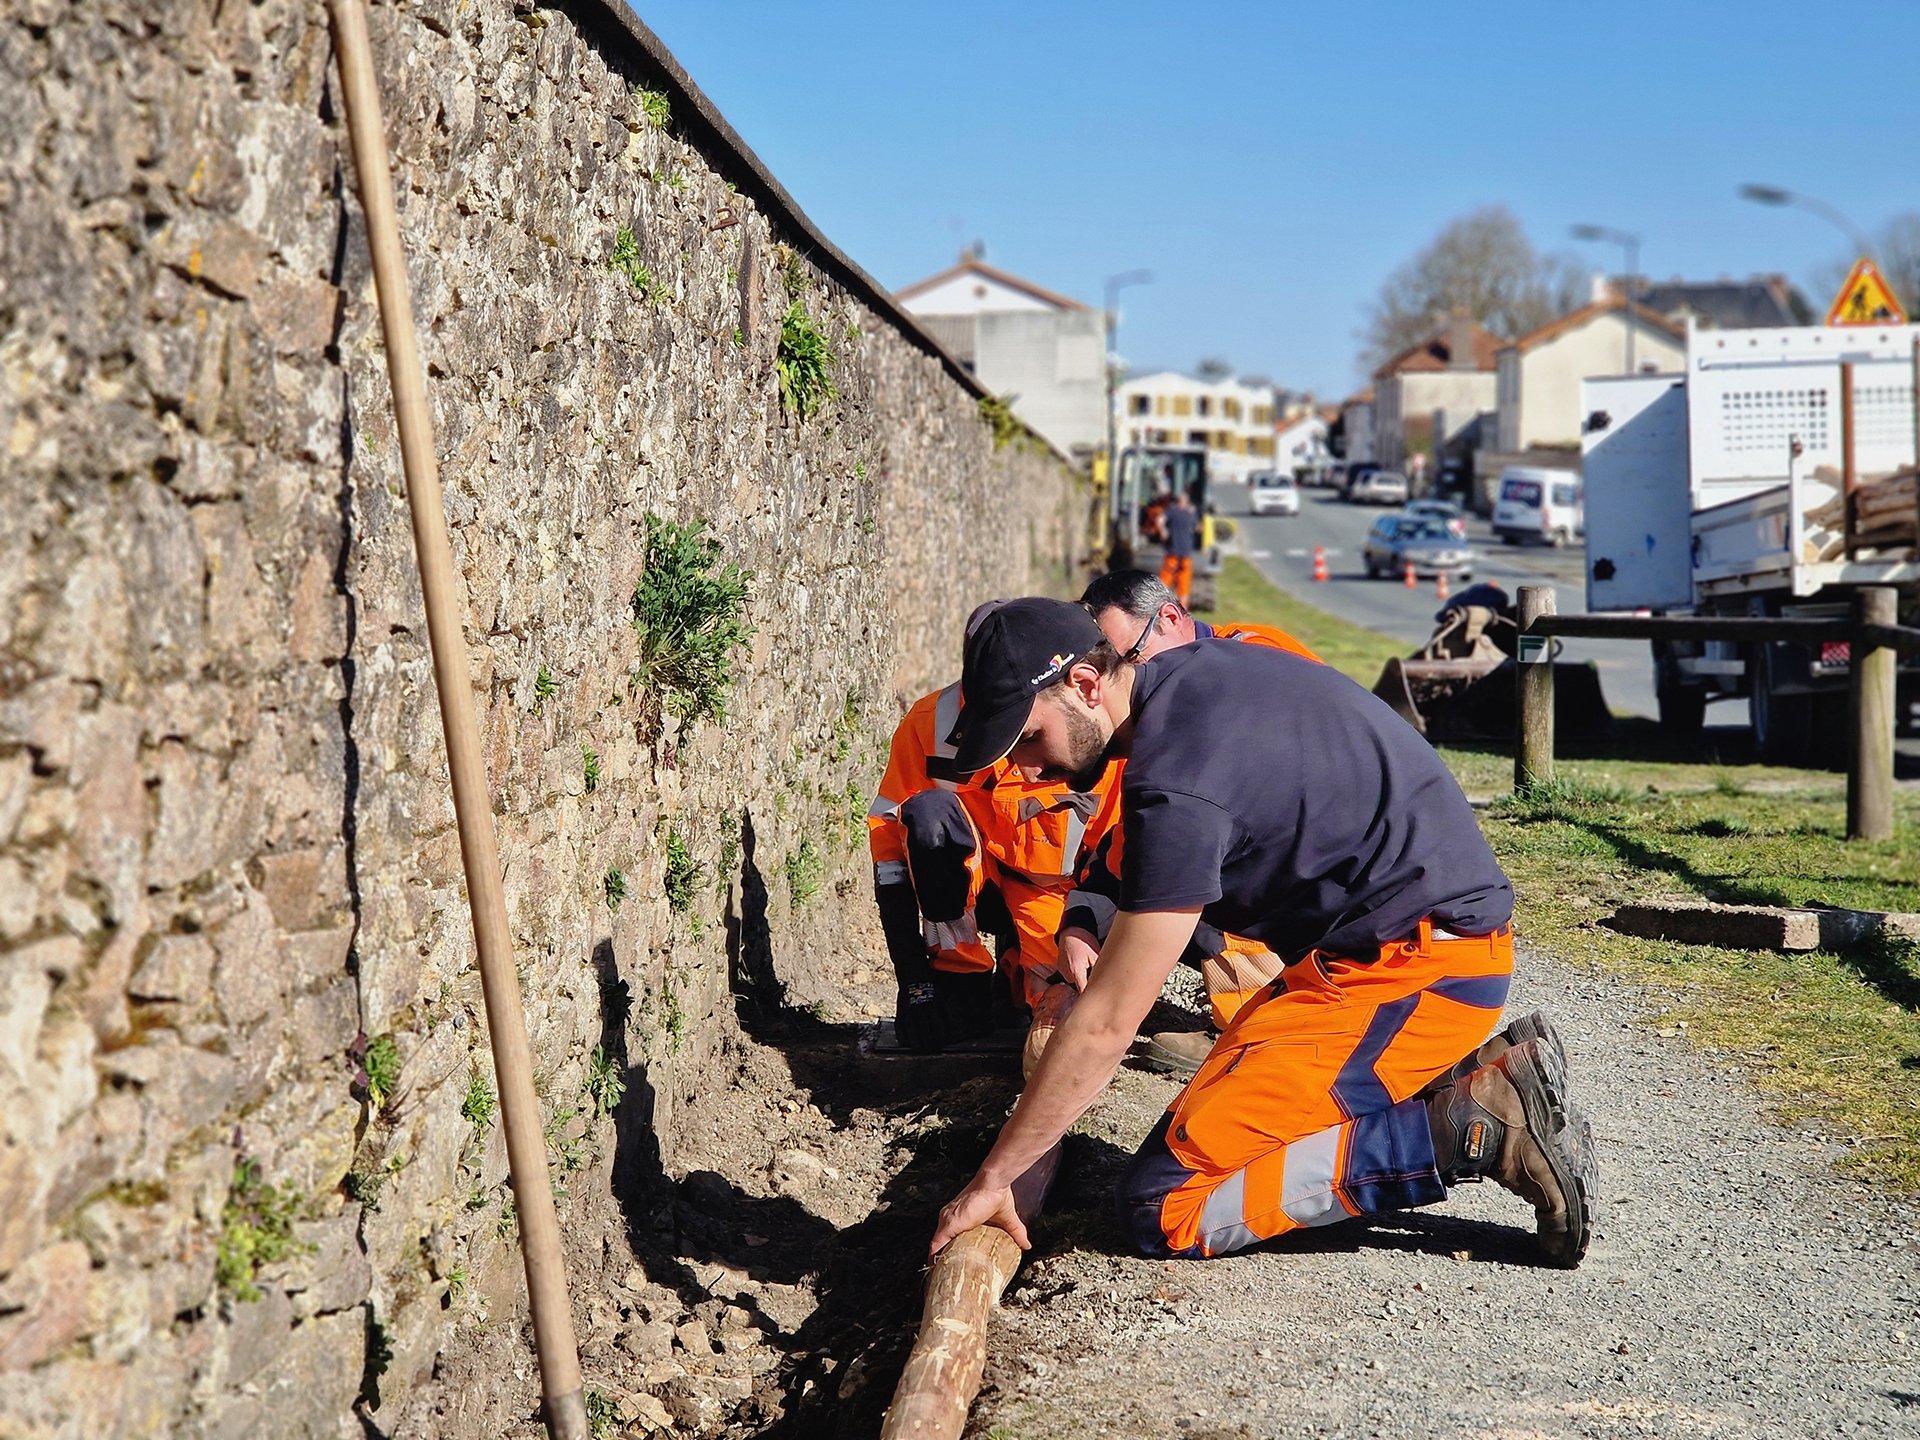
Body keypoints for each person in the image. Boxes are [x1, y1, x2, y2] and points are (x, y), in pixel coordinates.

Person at [928, 598, 1596, 1265]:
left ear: (1083, 683)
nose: (1030, 770)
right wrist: (1086, 915)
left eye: (1029, 738)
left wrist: (993, 1180)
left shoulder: (1177, 780)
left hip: (1416, 974)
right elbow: (1147, 842)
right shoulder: (1197, 678)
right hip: (1373, 954)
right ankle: (1432, 1098)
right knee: (1223, 1128)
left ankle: (1466, 1128)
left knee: (1163, 1208)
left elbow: (1107, 1026)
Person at [1069, 570, 1323, 1074]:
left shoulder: (1256, 660)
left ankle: (1252, 1033)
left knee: (1186, 882)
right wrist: (1084, 916)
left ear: (1169, 618)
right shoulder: (1161, 708)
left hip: (1306, 868)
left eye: (1131, 658)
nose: (1126, 677)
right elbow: (1137, 835)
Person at [866, 612, 1122, 1053]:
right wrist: (915, 980)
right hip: (973, 884)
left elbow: (1117, 858)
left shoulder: (1089, 737)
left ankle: (1014, 973)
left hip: (1056, 897)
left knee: (1060, 1017)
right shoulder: (929, 723)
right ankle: (960, 979)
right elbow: (889, 852)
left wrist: (1083, 933)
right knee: (929, 817)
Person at [1157, 490, 1198, 606]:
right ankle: (1182, 611)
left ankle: (1158, 607)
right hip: (1186, 554)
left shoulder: (1172, 512)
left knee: (1164, 582)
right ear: (1186, 502)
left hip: (1172, 552)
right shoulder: (1190, 514)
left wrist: (1163, 532)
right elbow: (1198, 528)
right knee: (1184, 585)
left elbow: (1159, 520)